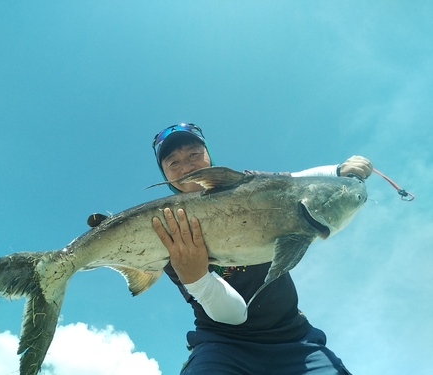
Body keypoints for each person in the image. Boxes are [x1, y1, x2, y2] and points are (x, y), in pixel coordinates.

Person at [149, 123, 373, 375]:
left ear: (208, 154)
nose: (187, 167)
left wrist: (337, 171)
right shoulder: (166, 235)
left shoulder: (249, 183)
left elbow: (293, 182)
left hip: (294, 338)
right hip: (220, 345)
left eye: (193, 154)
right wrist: (197, 279)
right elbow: (234, 315)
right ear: (166, 175)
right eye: (174, 163)